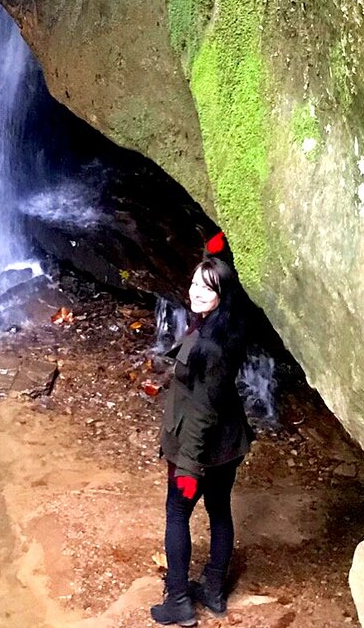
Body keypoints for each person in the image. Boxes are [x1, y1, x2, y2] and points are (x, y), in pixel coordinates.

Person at [151, 252, 255, 626]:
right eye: (195, 283)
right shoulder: (226, 328)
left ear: (221, 297)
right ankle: (212, 589)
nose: (195, 292)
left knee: (177, 513)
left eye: (206, 289)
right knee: (219, 509)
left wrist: (189, 468)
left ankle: (178, 601)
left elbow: (201, 413)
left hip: (199, 452)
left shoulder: (209, 348)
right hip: (229, 446)